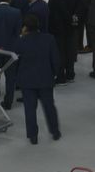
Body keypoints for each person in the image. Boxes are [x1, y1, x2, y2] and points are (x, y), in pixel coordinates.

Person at [8, 14, 62, 145]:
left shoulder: (20, 41)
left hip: (27, 80)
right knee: (49, 106)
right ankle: (55, 131)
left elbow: (15, 62)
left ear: (25, 28)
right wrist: (54, 74)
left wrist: (16, 78)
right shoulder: (49, 39)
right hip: (45, 78)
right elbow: (55, 59)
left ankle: (33, 136)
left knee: (30, 109)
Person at [47, 0, 81, 83]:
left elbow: (57, 10)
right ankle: (70, 73)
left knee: (60, 51)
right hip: (72, 25)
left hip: (59, 27)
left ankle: (60, 76)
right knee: (70, 50)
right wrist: (74, 18)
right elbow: (79, 4)